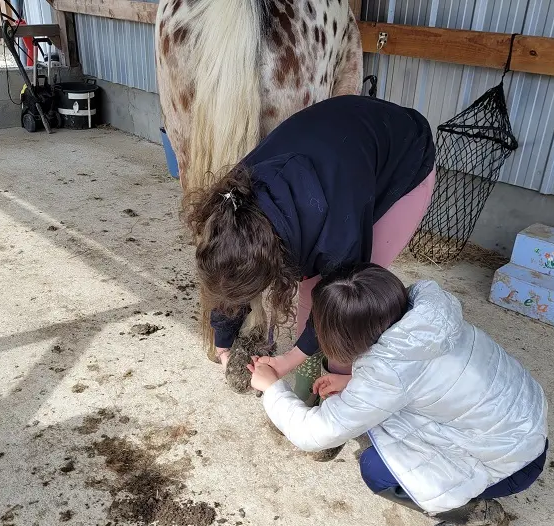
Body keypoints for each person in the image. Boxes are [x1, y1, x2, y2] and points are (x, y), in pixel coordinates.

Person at [248, 264, 549, 526]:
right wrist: (354, 380)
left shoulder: (387, 374)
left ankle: (480, 515)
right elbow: (423, 374)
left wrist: (272, 387)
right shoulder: (426, 315)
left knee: (376, 470)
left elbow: (313, 434)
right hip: (523, 422)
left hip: (514, 462)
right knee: (382, 425)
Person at [185, 95, 436, 402]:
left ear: (276, 263)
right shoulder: (230, 209)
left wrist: (287, 361)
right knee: (311, 290)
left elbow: (341, 304)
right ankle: (311, 382)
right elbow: (227, 283)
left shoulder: (337, 235)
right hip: (340, 144)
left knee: (348, 308)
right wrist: (224, 344)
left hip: (404, 153)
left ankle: (333, 401)